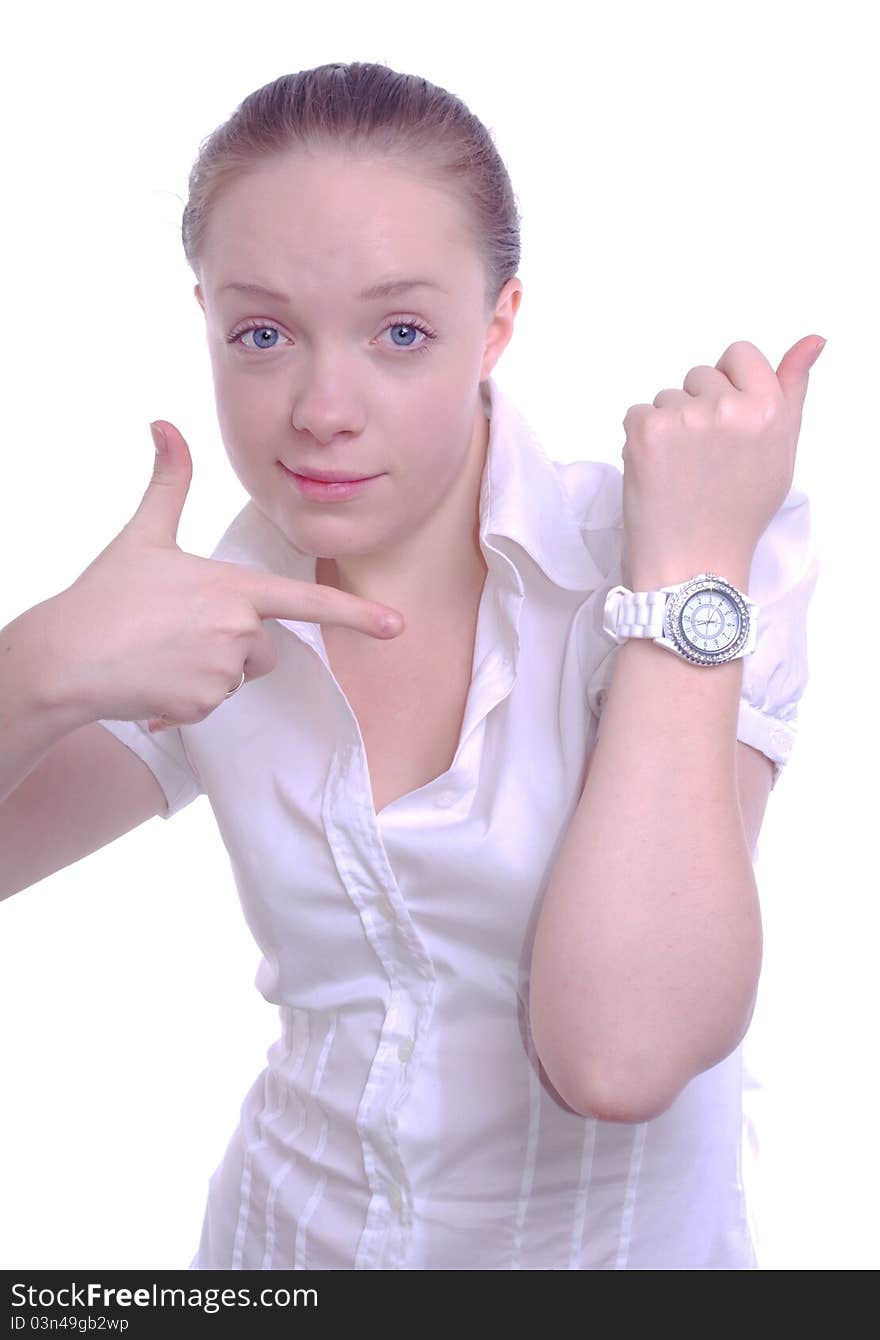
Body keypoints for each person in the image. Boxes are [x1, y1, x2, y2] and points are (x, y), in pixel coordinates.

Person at [0, 61, 821, 1270]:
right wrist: (36, 667)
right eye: (263, 332)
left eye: (399, 332)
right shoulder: (204, 605)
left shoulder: (669, 552)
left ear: (496, 326)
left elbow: (620, 1055)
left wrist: (690, 559)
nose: (321, 407)